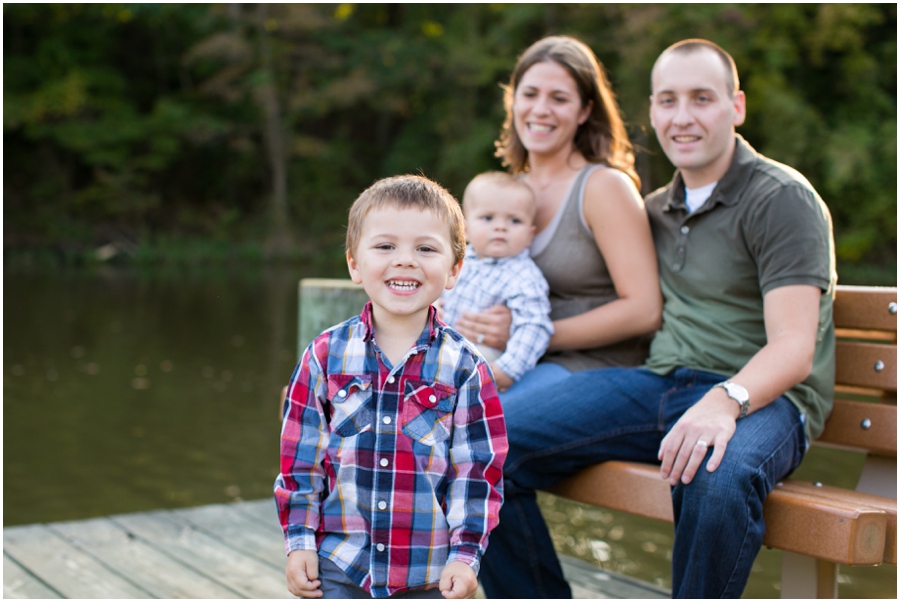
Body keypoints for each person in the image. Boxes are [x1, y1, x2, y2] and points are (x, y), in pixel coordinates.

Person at [478, 38, 836, 599]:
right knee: (482, 442)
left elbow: (794, 348)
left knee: (716, 474)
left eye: (702, 99)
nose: (682, 117)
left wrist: (725, 402)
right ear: (651, 111)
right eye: (668, 101)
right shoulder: (657, 211)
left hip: (765, 401)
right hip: (662, 386)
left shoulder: (781, 198)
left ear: (736, 106)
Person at [274, 174, 508, 599]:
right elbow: (300, 461)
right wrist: (299, 542)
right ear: (354, 263)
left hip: (428, 574)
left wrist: (465, 556)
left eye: (425, 248)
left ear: (455, 269)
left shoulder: (467, 369)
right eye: (385, 246)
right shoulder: (324, 357)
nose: (405, 260)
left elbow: (476, 475)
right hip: (340, 565)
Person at [451, 35, 663, 406]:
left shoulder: (603, 187)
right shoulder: (509, 196)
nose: (541, 109)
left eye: (559, 98)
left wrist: (525, 334)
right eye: (530, 94)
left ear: (584, 111)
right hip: (515, 364)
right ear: (513, 101)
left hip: (594, 368)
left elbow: (645, 310)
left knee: (482, 423)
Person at [439, 171, 553, 393]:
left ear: (530, 235)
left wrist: (507, 370)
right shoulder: (456, 261)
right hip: (442, 346)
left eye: (515, 220)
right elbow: (432, 290)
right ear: (465, 229)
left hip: (485, 356)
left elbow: (534, 327)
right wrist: (432, 306)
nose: (501, 227)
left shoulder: (524, 276)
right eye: (488, 218)